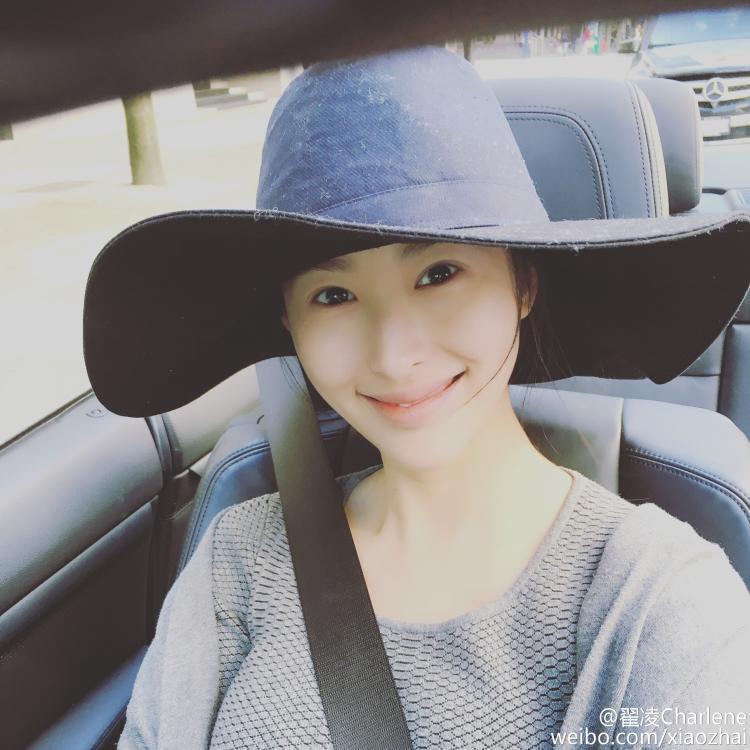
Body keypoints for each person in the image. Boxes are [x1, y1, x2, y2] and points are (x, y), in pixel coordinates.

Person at [82, 46, 750, 749]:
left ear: (524, 283)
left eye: (439, 273)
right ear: (290, 321)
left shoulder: (663, 601)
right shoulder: (237, 558)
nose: (394, 356)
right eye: (332, 295)